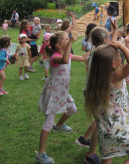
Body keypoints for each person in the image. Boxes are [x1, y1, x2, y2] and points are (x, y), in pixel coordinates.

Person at [36, 32, 91, 164]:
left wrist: (96, 47)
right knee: (48, 122)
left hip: (62, 91)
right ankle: (40, 153)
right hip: (54, 92)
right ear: (58, 45)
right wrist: (71, 42)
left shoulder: (68, 55)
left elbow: (83, 58)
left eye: (69, 38)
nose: (69, 39)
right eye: (66, 39)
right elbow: (65, 60)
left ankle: (59, 125)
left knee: (72, 109)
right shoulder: (55, 57)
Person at [84, 41, 129, 163]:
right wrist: (121, 46)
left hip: (105, 126)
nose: (121, 58)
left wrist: (115, 37)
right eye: (119, 56)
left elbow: (106, 52)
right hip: (119, 125)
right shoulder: (115, 76)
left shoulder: (96, 77)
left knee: (107, 158)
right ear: (113, 63)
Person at [77, 23, 119, 164]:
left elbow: (111, 42)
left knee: (97, 120)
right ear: (105, 40)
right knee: (99, 124)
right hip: (96, 92)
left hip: (90, 90)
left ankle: (84, 139)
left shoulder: (94, 50)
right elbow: (114, 45)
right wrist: (116, 31)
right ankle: (91, 154)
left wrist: (115, 30)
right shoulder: (103, 52)